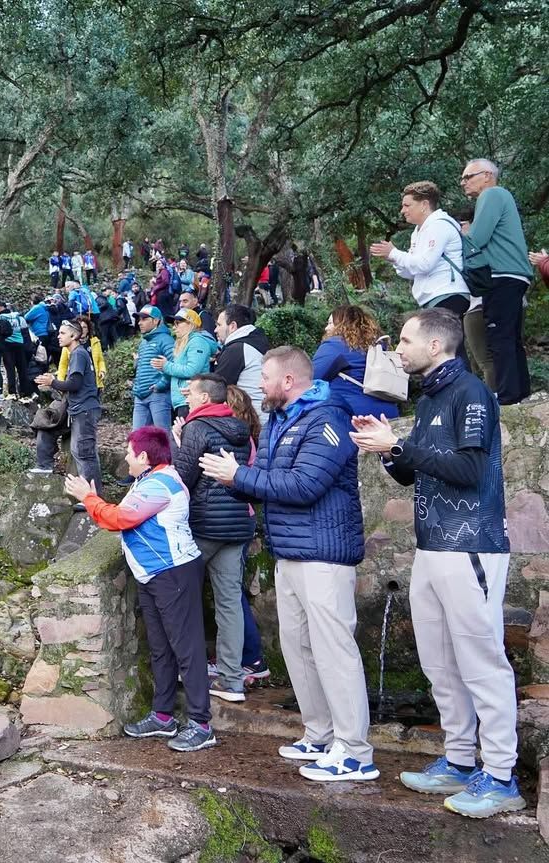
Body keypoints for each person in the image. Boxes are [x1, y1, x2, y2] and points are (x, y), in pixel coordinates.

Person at [350, 308, 523, 818]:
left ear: (435, 346)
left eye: (404, 340)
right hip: (432, 548)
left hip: (471, 546)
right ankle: (460, 758)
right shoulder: (429, 399)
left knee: (481, 662)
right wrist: (386, 447)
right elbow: (410, 474)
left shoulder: (470, 393)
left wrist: (401, 443)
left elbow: (470, 468)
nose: (396, 349)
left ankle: (500, 775)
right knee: (439, 663)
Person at [200, 346, 376, 783]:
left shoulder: (327, 419)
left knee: (334, 652)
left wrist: (238, 475)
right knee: (298, 650)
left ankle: (355, 752)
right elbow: (274, 486)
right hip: (291, 552)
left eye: (265, 378)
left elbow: (304, 485)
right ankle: (320, 734)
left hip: (323, 554)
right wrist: (234, 480)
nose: (258, 385)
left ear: (289, 382)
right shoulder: (284, 421)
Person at [66, 426, 216, 753]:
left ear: (145, 457)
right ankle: (163, 716)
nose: (126, 458)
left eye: (130, 452)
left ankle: (201, 725)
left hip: (173, 574)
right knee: (161, 647)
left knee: (186, 648)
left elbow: (121, 518)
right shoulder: (148, 479)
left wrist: (87, 498)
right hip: (152, 575)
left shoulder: (161, 483)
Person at [171, 373, 254, 703]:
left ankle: (188, 673)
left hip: (204, 525)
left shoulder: (196, 427)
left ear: (205, 398)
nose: (186, 396)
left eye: (190, 392)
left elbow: (183, 476)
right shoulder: (240, 428)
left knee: (183, 597)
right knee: (230, 602)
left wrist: (179, 444)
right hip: (236, 525)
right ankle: (233, 680)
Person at [459, 159, 533, 404]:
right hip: (515, 275)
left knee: (499, 337)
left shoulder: (491, 195)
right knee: (511, 338)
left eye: (469, 176)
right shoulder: (503, 197)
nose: (464, 182)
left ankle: (506, 396)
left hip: (501, 275)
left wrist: (465, 232)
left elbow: (477, 238)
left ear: (488, 175)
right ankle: (520, 391)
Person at [369, 181, 470, 358]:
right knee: (446, 352)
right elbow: (411, 271)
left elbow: (425, 264)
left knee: (447, 352)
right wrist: (392, 257)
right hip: (435, 297)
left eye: (407, 205)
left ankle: (460, 384)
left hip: (447, 294)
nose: (403, 210)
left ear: (424, 205)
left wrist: (394, 252)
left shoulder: (439, 225)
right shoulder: (419, 231)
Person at [222, 383, 270, 683]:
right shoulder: (246, 436)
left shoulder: (230, 437)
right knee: (231, 593)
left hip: (232, 518)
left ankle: (251, 659)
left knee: (230, 595)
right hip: (242, 517)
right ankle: (244, 657)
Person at [31, 318, 102, 489]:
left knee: (84, 453)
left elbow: (75, 384)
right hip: (79, 409)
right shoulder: (77, 353)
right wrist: (51, 383)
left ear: (74, 335)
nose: (58, 336)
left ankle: (93, 495)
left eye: (62, 333)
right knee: (79, 451)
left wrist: (52, 382)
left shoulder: (78, 353)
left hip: (85, 410)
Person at [311, 305, 400, 419]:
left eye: (330, 323)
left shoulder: (335, 344)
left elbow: (312, 379)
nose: (326, 328)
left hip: (353, 415)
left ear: (341, 325)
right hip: (388, 412)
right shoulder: (378, 346)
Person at [155, 309, 219, 419]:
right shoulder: (186, 342)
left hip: (190, 399)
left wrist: (166, 366)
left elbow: (193, 370)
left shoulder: (197, 341)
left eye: (178, 323)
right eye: (173, 324)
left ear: (191, 324)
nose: (174, 327)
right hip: (182, 400)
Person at [213, 304, 269, 425]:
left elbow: (217, 388)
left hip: (252, 421)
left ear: (232, 326)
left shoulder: (237, 349)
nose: (215, 330)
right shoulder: (253, 341)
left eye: (219, 325)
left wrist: (199, 387)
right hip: (263, 416)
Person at [131, 305, 175, 431]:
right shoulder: (144, 342)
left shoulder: (166, 340)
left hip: (158, 396)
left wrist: (161, 385)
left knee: (163, 436)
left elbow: (173, 364)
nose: (140, 322)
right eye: (139, 319)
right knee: (137, 437)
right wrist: (136, 386)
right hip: (140, 395)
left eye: (144, 319)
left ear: (156, 321)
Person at [0, 301, 32, 399]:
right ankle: (25, 392)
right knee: (22, 368)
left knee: (10, 369)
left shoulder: (0, 318)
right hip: (20, 344)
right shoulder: (19, 317)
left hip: (7, 345)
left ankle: (12, 392)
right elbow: (25, 332)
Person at [24, 293, 53, 361]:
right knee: (45, 354)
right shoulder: (45, 307)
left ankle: (40, 369)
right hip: (46, 332)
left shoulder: (37, 307)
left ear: (32, 301)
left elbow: (26, 317)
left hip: (39, 333)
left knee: (39, 355)